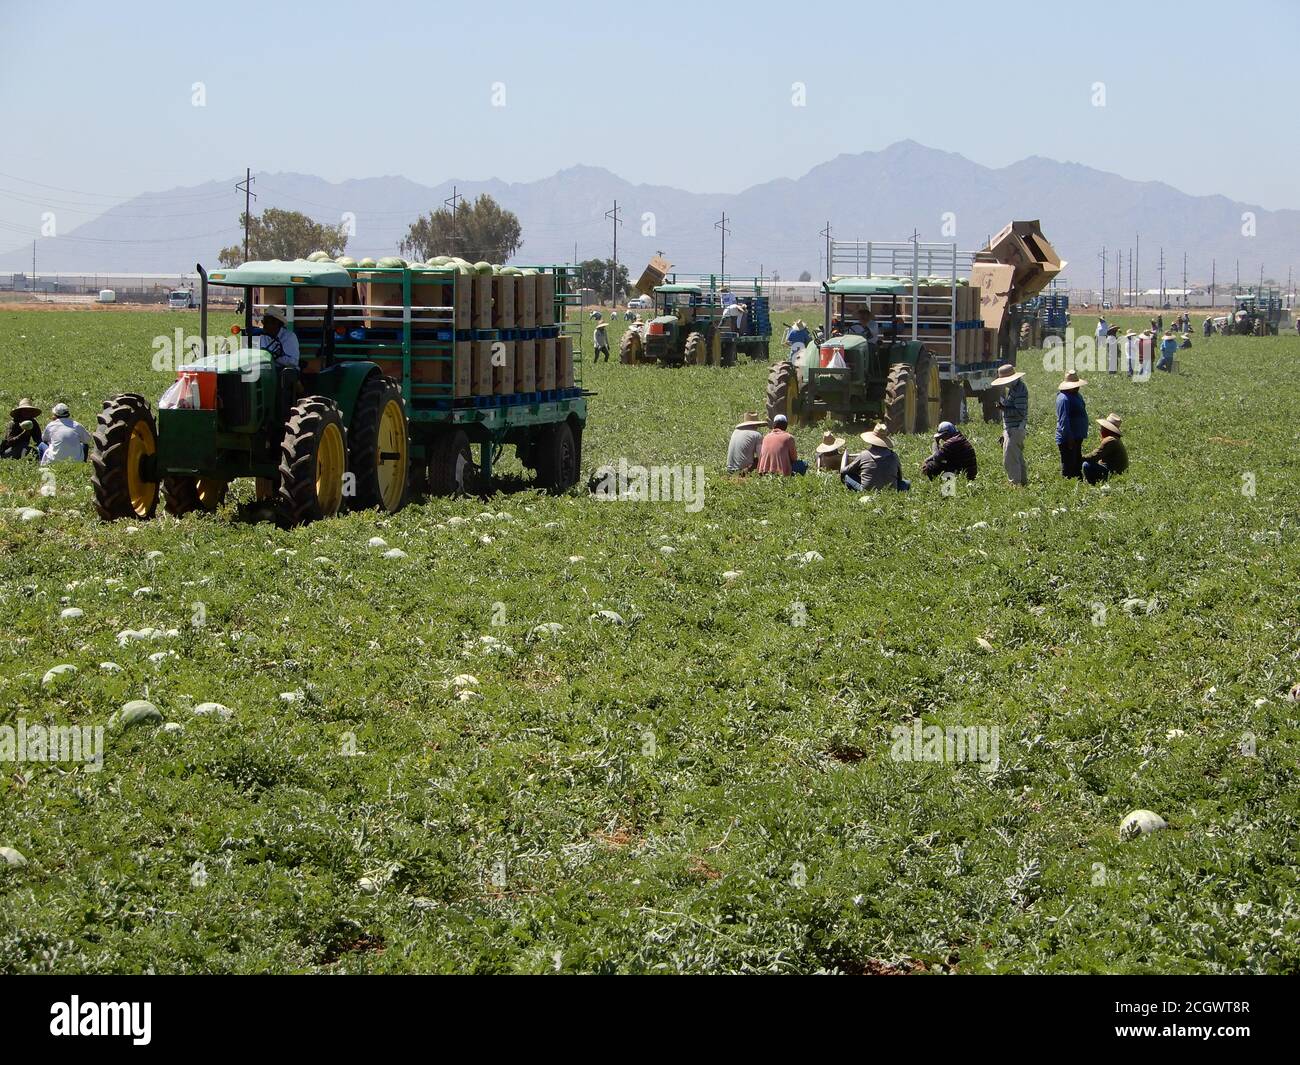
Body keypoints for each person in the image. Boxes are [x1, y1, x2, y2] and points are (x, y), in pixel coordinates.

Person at [990, 363, 1028, 486]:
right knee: (1016, 456)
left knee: (1010, 458)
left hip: (1015, 429)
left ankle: (1015, 484)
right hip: (1013, 429)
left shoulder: (1019, 390)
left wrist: (1003, 409)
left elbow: (1020, 413)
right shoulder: (1014, 389)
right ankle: (1022, 483)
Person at [841, 424, 909, 491]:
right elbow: (899, 477)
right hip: (890, 490)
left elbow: (845, 471)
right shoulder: (894, 456)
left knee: (847, 476)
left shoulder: (864, 455)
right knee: (907, 483)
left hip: (867, 490)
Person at [1055, 371, 1088, 478]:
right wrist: (1069, 437)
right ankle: (1068, 485)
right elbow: (1063, 420)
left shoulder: (1076, 395)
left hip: (1077, 436)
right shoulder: (1063, 398)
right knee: (1069, 465)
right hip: (1068, 438)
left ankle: (1078, 483)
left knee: (1076, 462)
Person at [1082, 413, 1128, 485]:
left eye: (1102, 427)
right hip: (1118, 471)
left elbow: (1095, 456)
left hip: (1113, 472)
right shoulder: (1114, 439)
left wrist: (1080, 458)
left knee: (1086, 465)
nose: (1100, 429)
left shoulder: (1110, 440)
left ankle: (1092, 484)